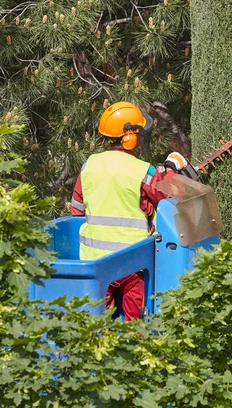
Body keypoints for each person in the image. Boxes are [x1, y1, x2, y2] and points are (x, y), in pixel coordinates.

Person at [70, 101, 186, 322]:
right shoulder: (141, 170)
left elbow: (76, 210)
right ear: (130, 138)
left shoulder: (89, 165)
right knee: (136, 326)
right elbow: (167, 193)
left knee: (98, 325)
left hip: (95, 264)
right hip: (132, 263)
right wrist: (172, 170)